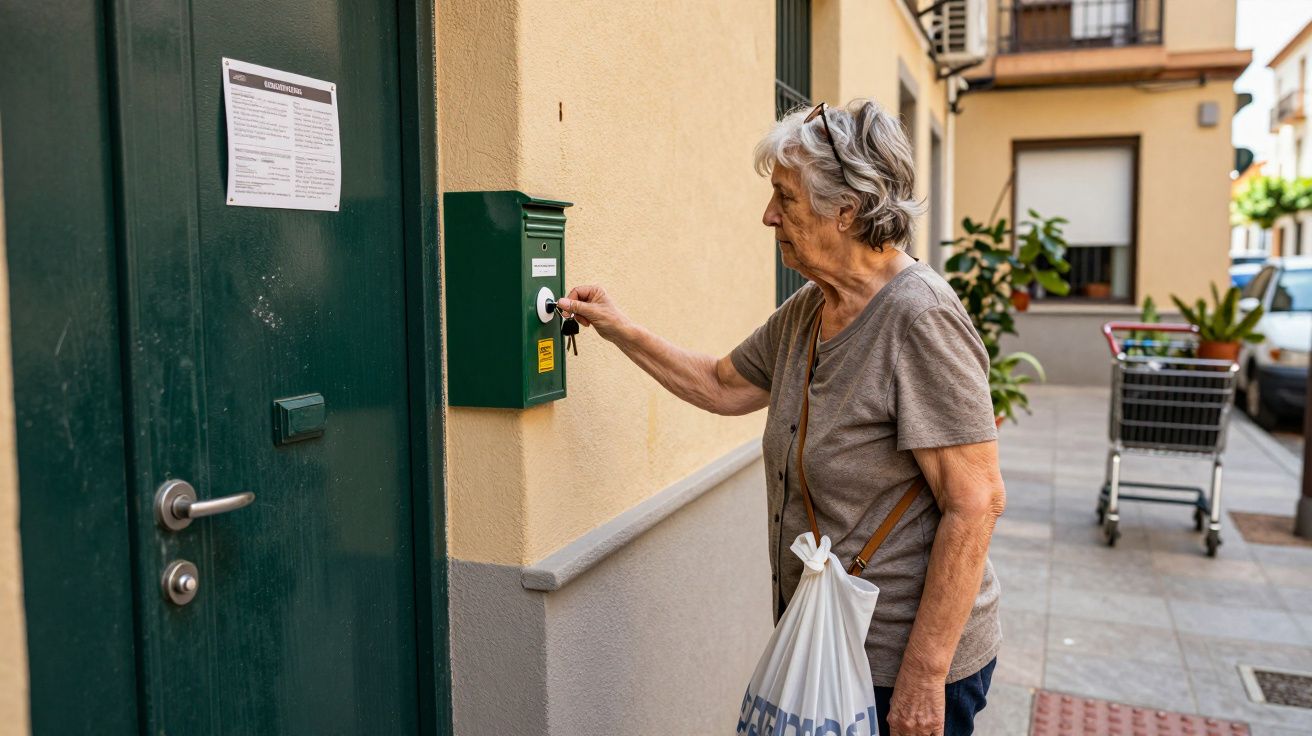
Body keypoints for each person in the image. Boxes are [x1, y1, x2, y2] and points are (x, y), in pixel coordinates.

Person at [556, 99, 1006, 736]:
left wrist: (926, 676)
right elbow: (720, 384)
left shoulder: (919, 318)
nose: (769, 215)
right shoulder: (810, 309)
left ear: (845, 209)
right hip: (825, 638)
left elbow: (976, 501)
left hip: (897, 660)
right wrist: (619, 329)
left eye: (785, 198)